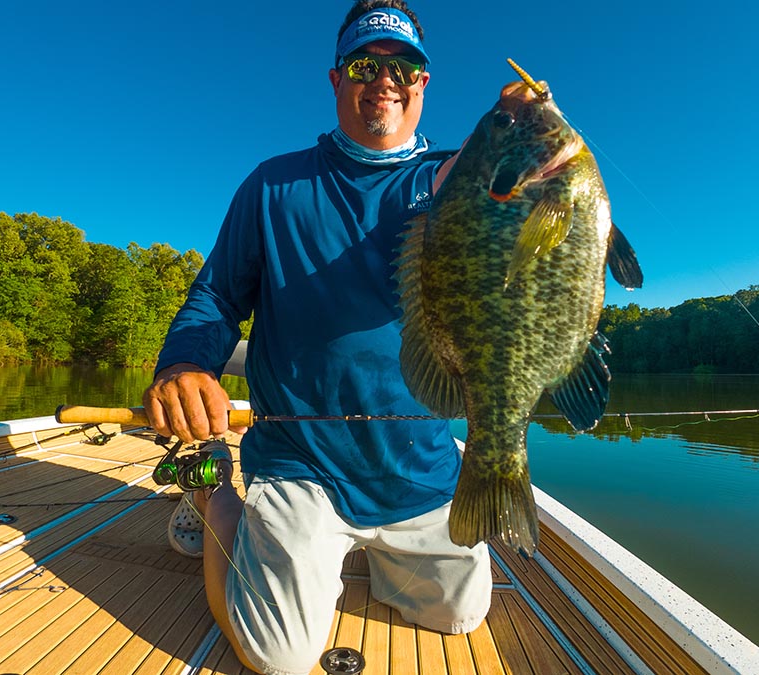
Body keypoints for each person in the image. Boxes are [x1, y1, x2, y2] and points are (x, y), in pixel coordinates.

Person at [142, 2, 490, 673]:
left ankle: (376, 552)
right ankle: (209, 486)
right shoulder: (274, 185)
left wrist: (529, 128)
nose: (384, 78)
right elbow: (215, 296)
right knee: (278, 656)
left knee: (461, 612)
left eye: (404, 66)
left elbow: (534, 199)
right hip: (304, 463)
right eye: (366, 63)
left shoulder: (458, 183)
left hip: (418, 468)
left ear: (424, 82)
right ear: (336, 80)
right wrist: (186, 363)